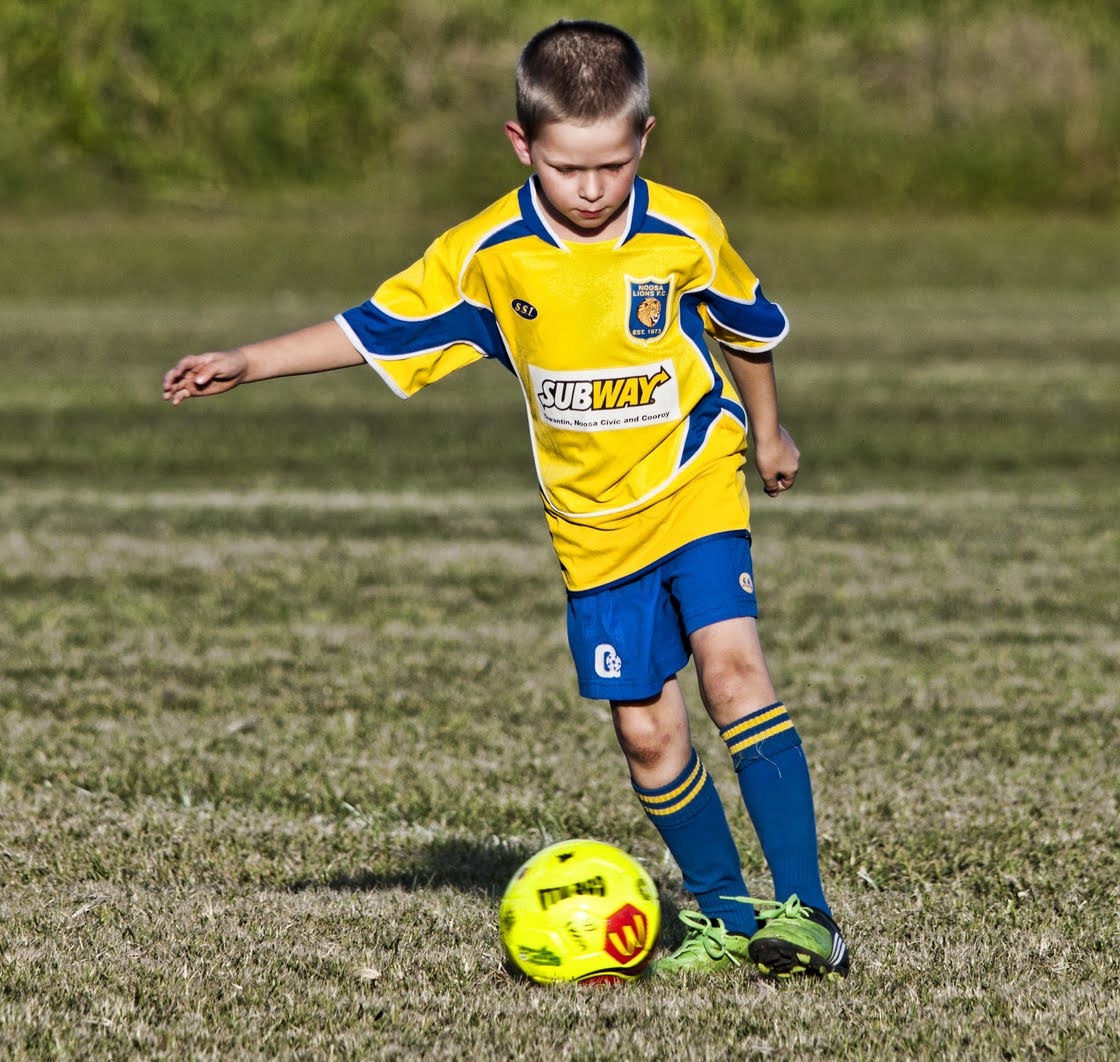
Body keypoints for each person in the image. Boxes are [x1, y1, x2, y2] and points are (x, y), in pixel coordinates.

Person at [162, 19, 848, 981]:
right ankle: (728, 915)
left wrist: (767, 433)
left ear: (645, 137)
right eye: (569, 168)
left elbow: (748, 328)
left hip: (693, 478)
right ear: (523, 144)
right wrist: (249, 360)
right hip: (589, 524)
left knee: (733, 675)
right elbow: (374, 328)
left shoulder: (686, 230)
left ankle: (808, 913)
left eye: (614, 165)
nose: (593, 189)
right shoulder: (489, 254)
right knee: (647, 732)